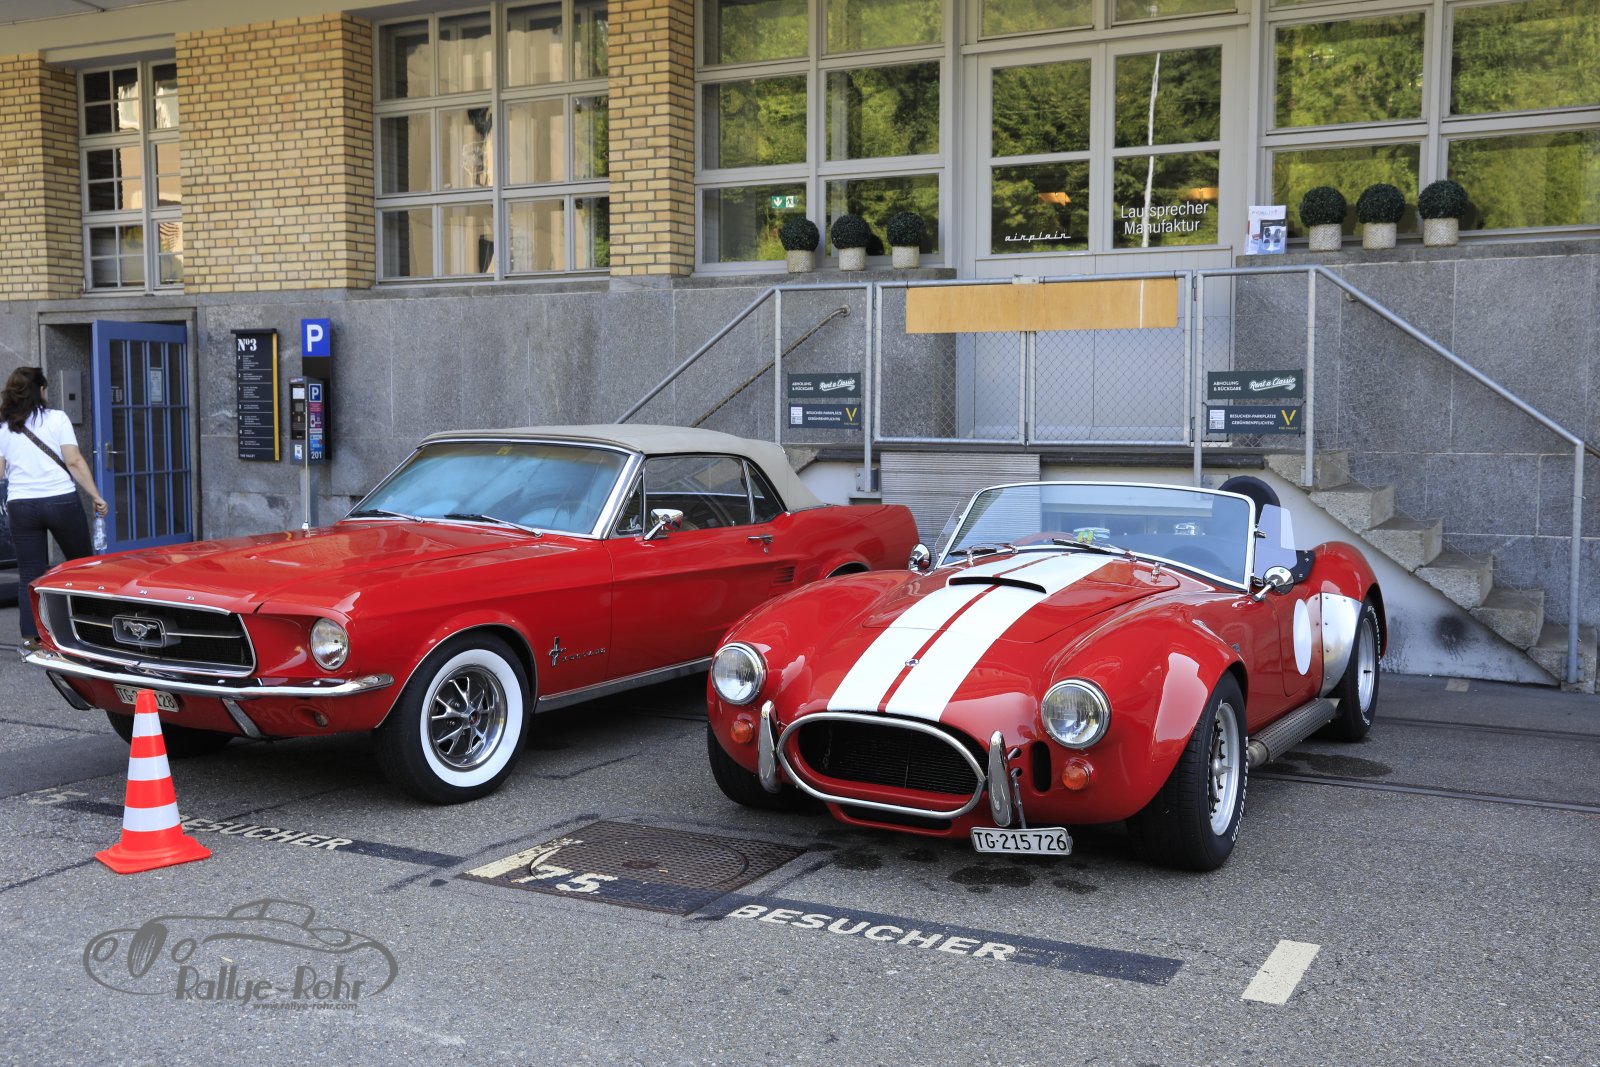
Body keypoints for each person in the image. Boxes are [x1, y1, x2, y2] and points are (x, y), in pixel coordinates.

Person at [0, 367, 108, 649]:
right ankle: (92, 629)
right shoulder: (57, 418)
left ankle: (32, 637)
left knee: (29, 573)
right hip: (60, 500)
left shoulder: (4, 427)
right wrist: (96, 495)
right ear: (40, 390)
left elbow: (0, 472)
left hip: (21, 505)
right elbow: (74, 461)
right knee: (81, 565)